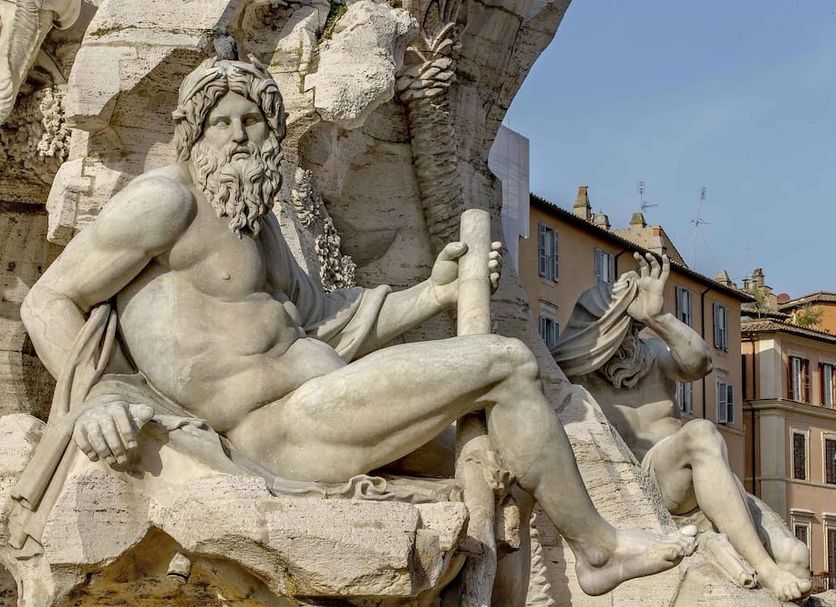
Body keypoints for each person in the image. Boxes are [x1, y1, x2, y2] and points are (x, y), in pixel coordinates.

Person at [18, 57, 694, 596]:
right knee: (509, 362)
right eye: (221, 121)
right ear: (193, 134)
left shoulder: (256, 228)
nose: (239, 135)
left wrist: (432, 292)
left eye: (253, 120)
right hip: (276, 429)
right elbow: (48, 299)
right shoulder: (165, 202)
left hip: (321, 406)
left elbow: (327, 319)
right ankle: (598, 551)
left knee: (502, 468)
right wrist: (99, 396)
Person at [554, 252, 812, 601]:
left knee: (796, 556)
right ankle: (765, 569)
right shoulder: (574, 381)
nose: (629, 339)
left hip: (707, 480)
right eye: (622, 330)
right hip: (653, 484)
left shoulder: (651, 356)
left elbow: (700, 363)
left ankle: (755, 563)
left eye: (633, 330)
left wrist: (659, 318)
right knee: (701, 433)